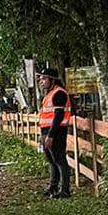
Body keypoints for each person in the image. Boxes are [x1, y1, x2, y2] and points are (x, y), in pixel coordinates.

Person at [37, 69, 72, 198]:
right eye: (41, 79)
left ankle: (65, 190)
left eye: (44, 79)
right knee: (51, 160)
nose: (42, 81)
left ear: (52, 80)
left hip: (56, 130)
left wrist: (51, 135)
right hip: (47, 130)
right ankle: (53, 187)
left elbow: (58, 116)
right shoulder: (50, 94)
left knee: (59, 159)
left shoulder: (59, 94)